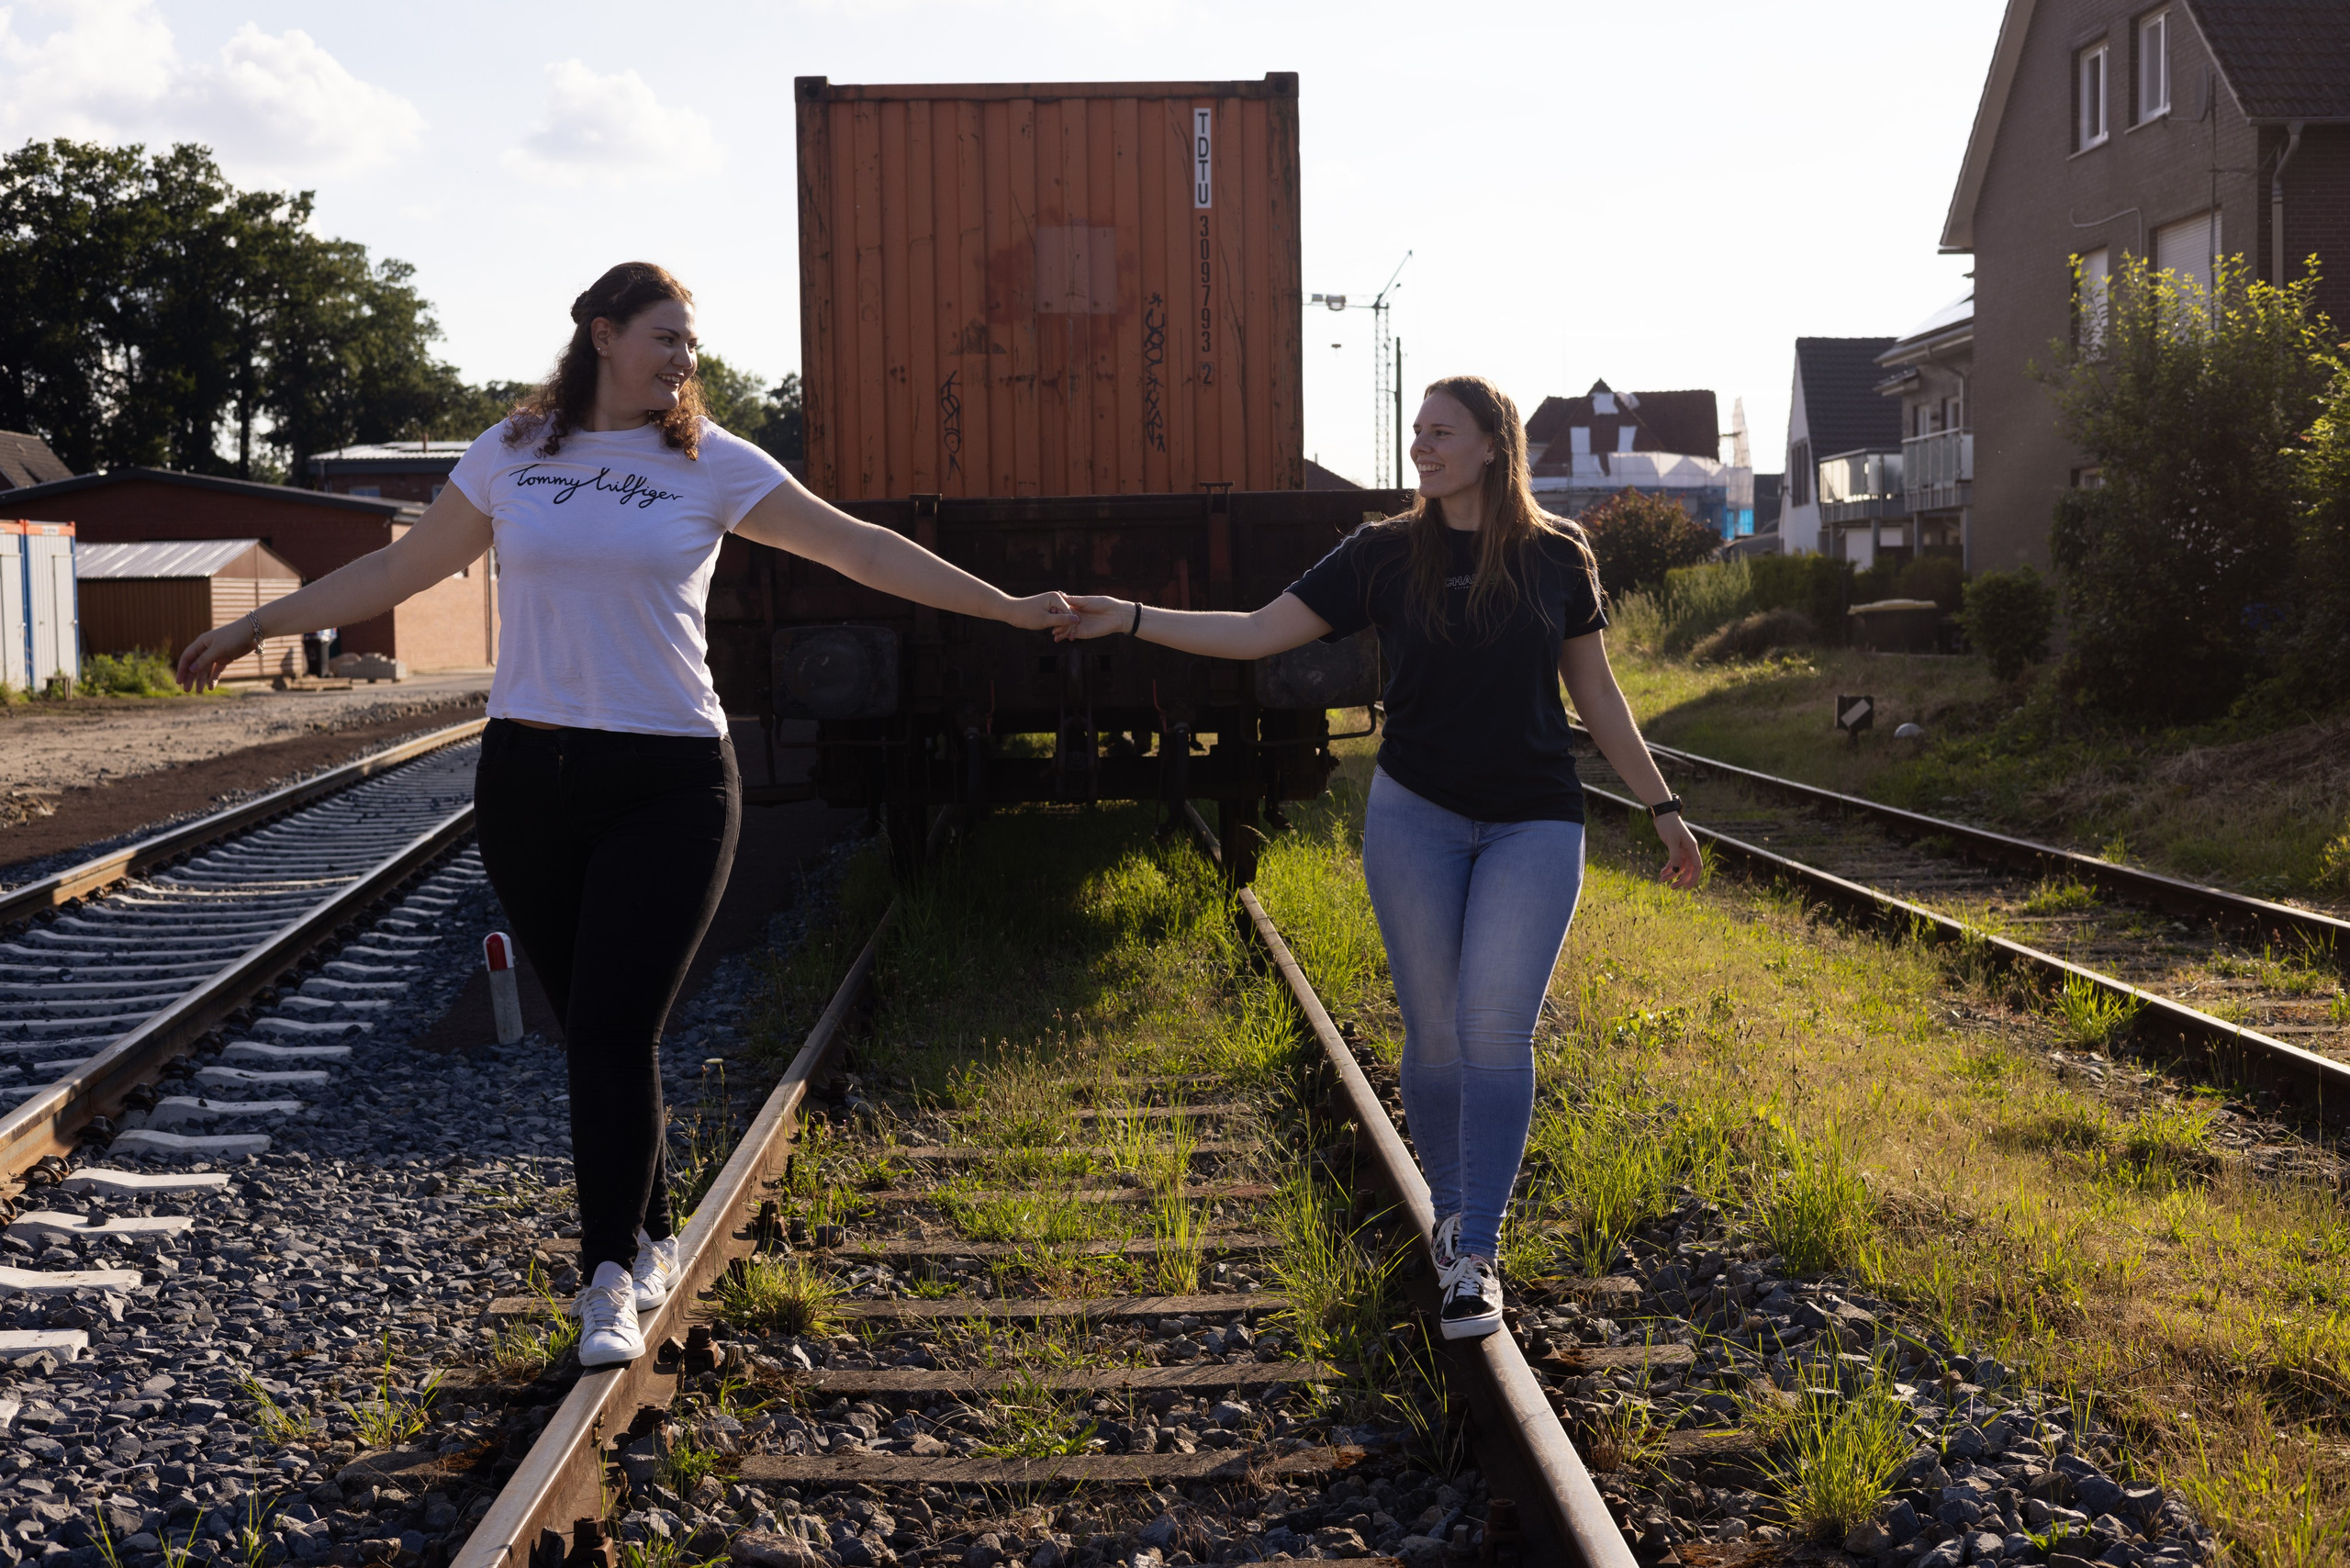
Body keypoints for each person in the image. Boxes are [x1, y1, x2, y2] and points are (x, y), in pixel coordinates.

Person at [177, 261, 1075, 1367]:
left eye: (690, 343)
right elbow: (400, 570)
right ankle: (648, 1230)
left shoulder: (711, 463)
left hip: (671, 783)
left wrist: (1004, 606)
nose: (684, 359)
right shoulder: (512, 452)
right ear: (603, 335)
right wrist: (258, 622)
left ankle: (606, 1277)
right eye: (665, 337)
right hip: (528, 780)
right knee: (598, 1031)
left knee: (609, 1027)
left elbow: (858, 547)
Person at [1057, 375, 1701, 1339]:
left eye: (1440, 433)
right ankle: (1451, 1219)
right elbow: (1255, 633)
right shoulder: (1382, 553)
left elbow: (1596, 697)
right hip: (1416, 819)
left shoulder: (1557, 558)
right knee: (1435, 1031)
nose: (1420, 447)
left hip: (1533, 819)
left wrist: (1662, 807)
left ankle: (1476, 1252)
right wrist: (1133, 616)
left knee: (1495, 1028)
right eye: (1416, 433)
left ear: (1493, 444)